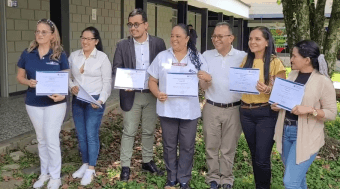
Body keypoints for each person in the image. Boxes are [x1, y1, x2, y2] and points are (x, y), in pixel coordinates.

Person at [148, 23, 211, 189]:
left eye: (178, 36)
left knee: (187, 146)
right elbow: (152, 80)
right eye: (172, 36)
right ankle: (171, 178)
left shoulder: (197, 58)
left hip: (189, 111)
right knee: (169, 146)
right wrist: (157, 93)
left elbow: (204, 86)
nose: (174, 39)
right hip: (167, 109)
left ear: (187, 39)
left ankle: (183, 179)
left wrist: (207, 79)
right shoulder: (162, 56)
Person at [271, 40, 337, 189]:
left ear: (307, 60)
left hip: (306, 136)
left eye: (294, 56)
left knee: (290, 182)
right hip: (285, 132)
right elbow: (287, 101)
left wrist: (310, 110)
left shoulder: (322, 81)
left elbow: (332, 113)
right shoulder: (293, 74)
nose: (291, 59)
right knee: (298, 180)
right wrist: (278, 105)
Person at [112, 8, 166, 181]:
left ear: (145, 25)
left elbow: (163, 68)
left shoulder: (158, 43)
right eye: (130, 24)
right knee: (129, 131)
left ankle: (147, 161)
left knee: (149, 130)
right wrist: (124, 81)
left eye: (136, 24)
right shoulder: (122, 45)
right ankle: (125, 166)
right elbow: (116, 68)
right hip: (131, 95)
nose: (133, 28)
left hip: (151, 93)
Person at [16, 18, 69, 189]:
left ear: (52, 35)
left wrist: (62, 95)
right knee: (41, 139)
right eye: (37, 31)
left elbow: (66, 79)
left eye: (44, 32)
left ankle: (55, 177)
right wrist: (28, 83)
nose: (39, 34)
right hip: (33, 102)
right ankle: (44, 173)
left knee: (51, 138)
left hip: (55, 104)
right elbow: (19, 77)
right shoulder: (27, 53)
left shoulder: (60, 54)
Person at [200, 22, 247, 189]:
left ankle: (226, 178)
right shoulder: (206, 55)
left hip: (234, 108)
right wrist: (206, 81)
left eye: (220, 36)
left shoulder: (242, 56)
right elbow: (203, 86)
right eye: (214, 36)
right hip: (211, 107)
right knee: (211, 144)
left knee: (228, 146)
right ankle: (213, 177)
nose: (215, 39)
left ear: (231, 38)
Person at [239, 26, 286, 189]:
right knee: (255, 155)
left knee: (262, 157)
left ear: (267, 42)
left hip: (265, 113)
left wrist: (269, 89)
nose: (252, 42)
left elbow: (282, 93)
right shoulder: (246, 60)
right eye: (251, 39)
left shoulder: (275, 62)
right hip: (245, 112)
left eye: (257, 39)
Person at [68, 26, 112, 185]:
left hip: (94, 101)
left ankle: (91, 168)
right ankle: (85, 163)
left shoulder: (102, 58)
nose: (85, 41)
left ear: (96, 41)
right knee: (81, 133)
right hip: (78, 99)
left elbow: (107, 83)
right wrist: (71, 86)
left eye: (89, 39)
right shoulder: (74, 56)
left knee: (91, 134)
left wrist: (100, 100)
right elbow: (67, 76)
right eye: (83, 38)